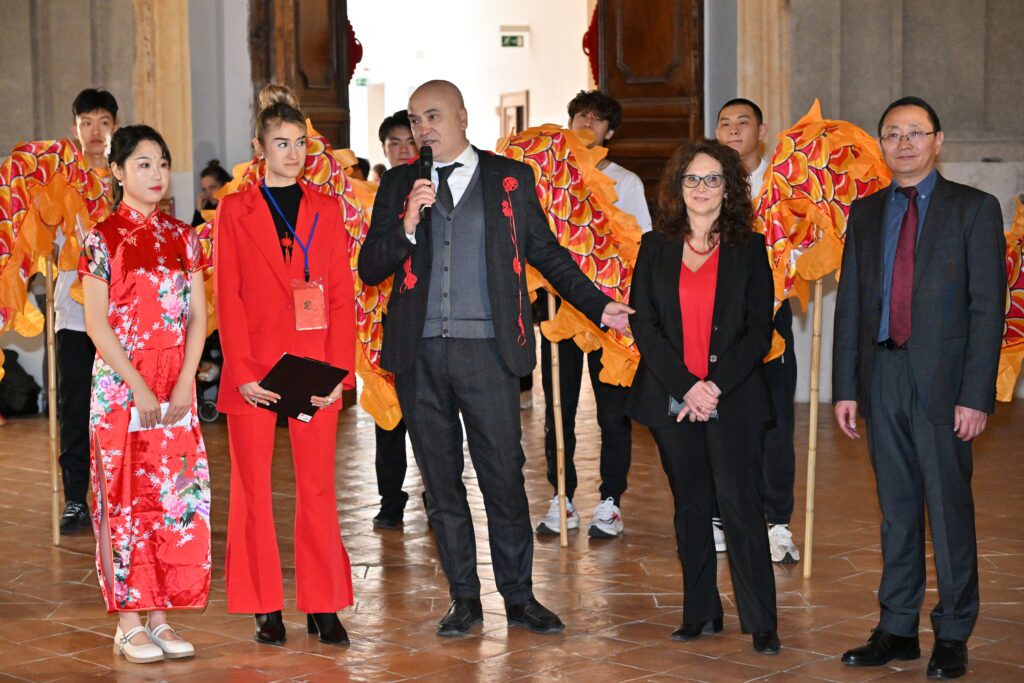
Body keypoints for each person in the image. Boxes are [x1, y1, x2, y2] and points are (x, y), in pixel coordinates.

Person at [358, 80, 633, 637]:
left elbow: (547, 254)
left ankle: (519, 597)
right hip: (420, 356)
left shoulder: (510, 179)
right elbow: (370, 267)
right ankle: (464, 599)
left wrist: (599, 305)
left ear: (462, 114)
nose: (422, 128)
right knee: (441, 483)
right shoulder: (397, 184)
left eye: (432, 115)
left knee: (503, 478)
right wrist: (407, 224)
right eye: (414, 120)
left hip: (489, 352)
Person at [833, 97, 1005, 680]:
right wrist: (846, 386)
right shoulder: (865, 213)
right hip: (881, 376)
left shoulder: (974, 210)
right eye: (891, 134)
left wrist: (976, 395)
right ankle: (897, 628)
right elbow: (852, 304)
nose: (903, 144)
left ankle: (953, 632)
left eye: (915, 133)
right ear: (881, 145)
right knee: (896, 511)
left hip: (945, 383)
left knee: (949, 511)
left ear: (937, 141)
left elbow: (989, 309)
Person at [214, 84, 357, 646]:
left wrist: (340, 375)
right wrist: (243, 371)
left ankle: (323, 606)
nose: (292, 153)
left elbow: (341, 297)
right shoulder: (234, 209)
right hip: (253, 368)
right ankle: (263, 605)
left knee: (318, 488)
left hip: (311, 368)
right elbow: (228, 294)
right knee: (252, 489)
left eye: (299, 143)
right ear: (260, 147)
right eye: (281, 143)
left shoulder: (325, 208)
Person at [626, 139, 780, 654]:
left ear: (729, 188)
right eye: (692, 178)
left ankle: (761, 619)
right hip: (673, 398)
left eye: (713, 178)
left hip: (731, 398)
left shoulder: (750, 248)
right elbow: (646, 327)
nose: (701, 188)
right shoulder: (655, 247)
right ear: (677, 187)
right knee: (690, 507)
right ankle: (701, 612)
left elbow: (760, 332)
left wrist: (712, 387)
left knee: (740, 506)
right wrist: (687, 386)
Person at [80, 125, 210, 663]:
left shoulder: (186, 236)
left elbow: (200, 318)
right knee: (124, 499)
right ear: (117, 172)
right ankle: (127, 620)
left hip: (175, 385)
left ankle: (161, 616)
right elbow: (95, 323)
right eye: (142, 164)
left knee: (175, 497)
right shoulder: (100, 237)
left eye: (161, 164)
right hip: (119, 388)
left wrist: (184, 379)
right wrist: (136, 384)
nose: (155, 174)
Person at [534, 89, 652, 539]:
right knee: (557, 407)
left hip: (611, 313)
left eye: (596, 120)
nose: (586, 124)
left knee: (611, 411)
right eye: (579, 116)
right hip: (560, 308)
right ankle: (561, 496)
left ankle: (611, 500)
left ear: (610, 132)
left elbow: (642, 246)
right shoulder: (550, 179)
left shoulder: (626, 182)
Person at [716, 97, 800, 563]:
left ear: (761, 131)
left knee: (775, 419)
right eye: (724, 123)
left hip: (770, 315)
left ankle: (776, 521)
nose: (732, 131)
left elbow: (805, 240)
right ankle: (719, 514)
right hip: (715, 317)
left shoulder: (783, 185)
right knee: (715, 414)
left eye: (742, 123)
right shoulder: (708, 182)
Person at [56, 88, 118, 535]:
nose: (95, 132)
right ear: (75, 128)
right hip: (74, 317)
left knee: (118, 410)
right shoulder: (59, 182)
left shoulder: (129, 176)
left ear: (115, 127)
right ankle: (76, 498)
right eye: (86, 123)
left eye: (103, 122)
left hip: (124, 318)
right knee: (75, 409)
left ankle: (119, 496)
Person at [370, 109, 418, 529]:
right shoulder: (371, 196)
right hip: (378, 324)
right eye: (394, 144)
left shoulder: (431, 188)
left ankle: (439, 495)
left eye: (410, 142)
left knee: (435, 416)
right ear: (383, 150)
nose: (403, 151)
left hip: (420, 322)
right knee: (388, 418)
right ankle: (391, 499)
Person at [192, 159, 232, 227]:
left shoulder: (235, 207)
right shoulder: (207, 207)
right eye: (204, 190)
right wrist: (199, 211)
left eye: (212, 187)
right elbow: (194, 235)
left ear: (224, 185)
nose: (208, 193)